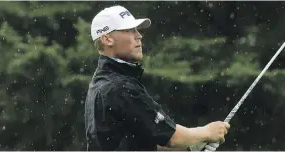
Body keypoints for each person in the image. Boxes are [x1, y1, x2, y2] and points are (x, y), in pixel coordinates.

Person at [84, 5, 230, 151]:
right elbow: (171, 138)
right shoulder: (119, 87)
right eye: (129, 30)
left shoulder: (102, 83)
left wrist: (191, 147)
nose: (139, 35)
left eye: (137, 30)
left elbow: (144, 141)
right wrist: (207, 132)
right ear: (107, 39)